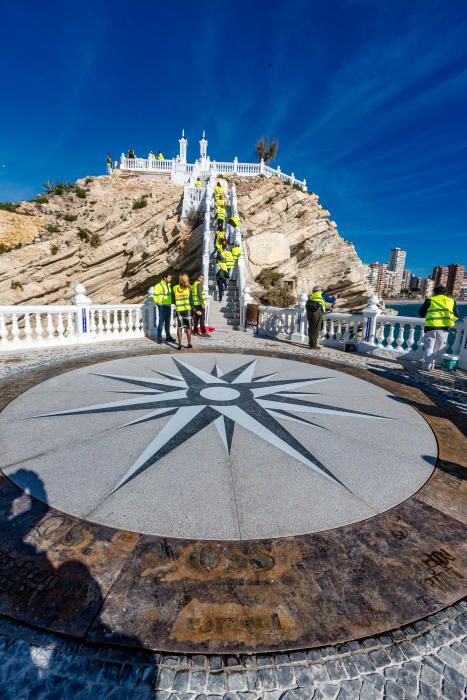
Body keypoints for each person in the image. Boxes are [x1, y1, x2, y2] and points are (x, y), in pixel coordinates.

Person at [418, 285, 459, 371]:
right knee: (439, 350)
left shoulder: (430, 300)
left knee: (429, 348)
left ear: (434, 292)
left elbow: (421, 313)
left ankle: (427, 365)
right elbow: (456, 315)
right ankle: (431, 365)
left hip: (430, 328)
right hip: (444, 329)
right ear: (445, 293)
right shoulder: (451, 301)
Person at [306, 285, 336, 349]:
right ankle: (313, 346)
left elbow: (318, 305)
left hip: (309, 312)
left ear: (314, 291)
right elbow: (331, 301)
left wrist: (328, 309)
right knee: (316, 329)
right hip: (316, 312)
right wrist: (334, 297)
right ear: (319, 290)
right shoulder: (322, 294)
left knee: (311, 328)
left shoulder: (311, 295)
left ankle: (311, 342)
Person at [172, 273, 193, 350]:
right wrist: (194, 311)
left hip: (179, 310)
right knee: (188, 327)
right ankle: (189, 344)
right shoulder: (189, 288)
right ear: (186, 279)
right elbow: (191, 301)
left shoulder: (174, 288)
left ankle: (180, 345)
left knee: (180, 327)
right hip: (187, 310)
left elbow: (173, 300)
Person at [153, 273, 175, 344]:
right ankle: (159, 338)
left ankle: (168, 337)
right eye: (169, 278)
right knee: (161, 323)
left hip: (168, 306)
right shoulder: (158, 286)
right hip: (162, 306)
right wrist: (159, 304)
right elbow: (155, 297)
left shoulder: (169, 285)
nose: (170, 279)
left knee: (167, 323)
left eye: (170, 278)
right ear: (164, 278)